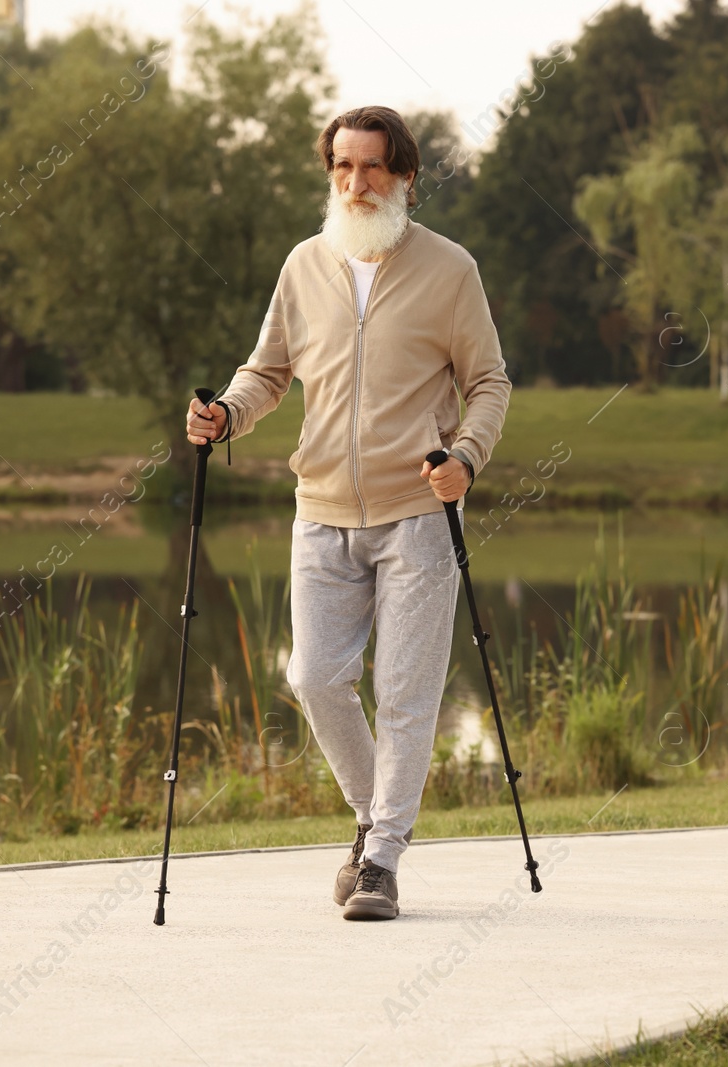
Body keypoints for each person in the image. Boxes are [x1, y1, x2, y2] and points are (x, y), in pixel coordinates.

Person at [185, 106, 511, 921]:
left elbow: (490, 383)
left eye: (371, 169)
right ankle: (373, 822)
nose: (355, 184)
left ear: (404, 176)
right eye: (342, 168)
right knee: (313, 675)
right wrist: (227, 412)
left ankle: (382, 863)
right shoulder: (304, 265)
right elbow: (268, 371)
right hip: (321, 508)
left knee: (404, 694)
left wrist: (464, 458)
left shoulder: (450, 269)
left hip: (416, 511)